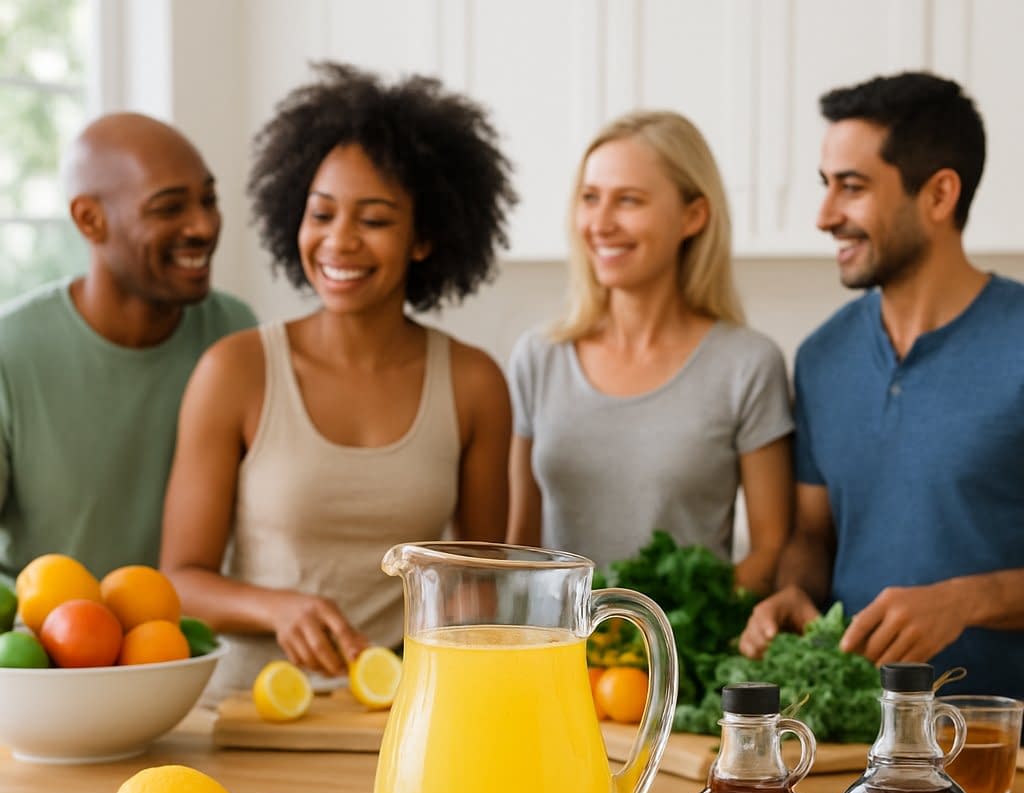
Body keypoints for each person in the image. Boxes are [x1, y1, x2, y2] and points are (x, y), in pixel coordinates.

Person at [160, 63, 515, 699]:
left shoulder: (474, 383)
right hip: (255, 710)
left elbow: (482, 585)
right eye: (321, 214)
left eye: (374, 220)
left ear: (424, 238)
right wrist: (278, 608)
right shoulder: (235, 371)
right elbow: (180, 580)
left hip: (403, 709)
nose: (338, 242)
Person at [739, 71, 1024, 699]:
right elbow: (815, 535)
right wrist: (793, 593)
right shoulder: (822, 358)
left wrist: (965, 600)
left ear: (940, 194)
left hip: (1006, 745)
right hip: (865, 742)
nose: (824, 216)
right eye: (825, 186)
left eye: (853, 187)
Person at [506, 110, 793, 594]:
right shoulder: (539, 358)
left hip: (684, 660)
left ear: (693, 216)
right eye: (590, 198)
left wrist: (664, 635)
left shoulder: (747, 366)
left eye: (629, 201)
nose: (600, 223)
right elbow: (518, 547)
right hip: (559, 657)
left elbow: (771, 551)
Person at [0, 113, 257, 583]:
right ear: (89, 220)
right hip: (35, 646)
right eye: (169, 208)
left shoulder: (235, 333)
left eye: (208, 200)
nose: (202, 226)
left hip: (190, 644)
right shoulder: (10, 351)